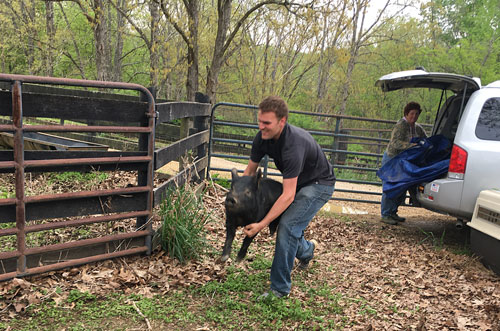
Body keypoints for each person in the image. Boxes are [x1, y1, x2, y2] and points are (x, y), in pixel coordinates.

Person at [242, 96, 336, 298]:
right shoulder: (262, 137)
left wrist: (260, 224)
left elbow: (287, 195)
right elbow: (250, 171)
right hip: (300, 182)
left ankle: (280, 289)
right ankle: (306, 251)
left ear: (282, 121)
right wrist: (237, 196)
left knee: (287, 225)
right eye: (259, 121)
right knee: (291, 227)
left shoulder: (293, 144)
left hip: (319, 184)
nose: (261, 127)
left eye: (266, 123)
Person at [380, 101, 427, 225]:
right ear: (406, 114)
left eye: (416, 114)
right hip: (393, 159)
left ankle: (392, 212)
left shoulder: (417, 128)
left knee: (400, 187)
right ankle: (385, 213)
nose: (414, 116)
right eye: (412, 113)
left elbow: (425, 139)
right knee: (390, 186)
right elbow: (395, 143)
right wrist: (412, 145)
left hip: (404, 161)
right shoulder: (401, 125)